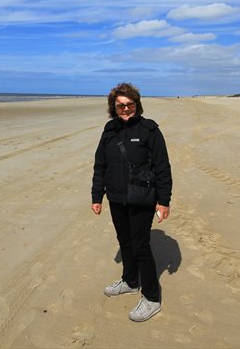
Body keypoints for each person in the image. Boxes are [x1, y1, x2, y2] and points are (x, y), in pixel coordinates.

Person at [91, 82, 172, 322]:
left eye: (130, 104)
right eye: (120, 106)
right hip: (116, 198)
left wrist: (163, 201)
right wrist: (97, 196)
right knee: (124, 242)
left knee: (141, 246)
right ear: (113, 108)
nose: (125, 109)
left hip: (142, 198)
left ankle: (152, 297)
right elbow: (100, 165)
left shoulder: (150, 130)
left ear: (137, 105)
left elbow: (162, 167)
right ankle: (130, 281)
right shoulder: (109, 130)